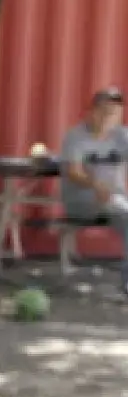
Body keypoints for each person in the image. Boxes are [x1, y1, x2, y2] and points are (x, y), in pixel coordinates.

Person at [60, 85, 128, 294]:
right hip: (82, 199)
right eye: (105, 111)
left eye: (115, 113)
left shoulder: (121, 136)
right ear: (93, 111)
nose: (109, 117)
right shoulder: (77, 136)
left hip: (114, 200)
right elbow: (73, 171)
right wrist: (95, 184)